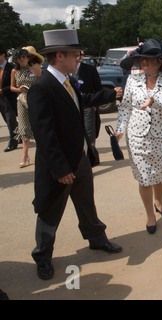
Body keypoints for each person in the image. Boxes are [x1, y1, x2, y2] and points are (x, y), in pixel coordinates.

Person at [27, 29, 123, 281]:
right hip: (58, 166)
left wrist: (111, 94)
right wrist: (60, 169)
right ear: (59, 55)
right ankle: (43, 257)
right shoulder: (42, 87)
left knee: (86, 203)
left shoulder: (68, 81)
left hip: (79, 159)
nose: (79, 59)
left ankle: (96, 239)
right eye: (75, 55)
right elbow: (44, 135)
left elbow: (84, 99)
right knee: (50, 211)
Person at [115, 39, 162, 234]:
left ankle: (159, 202)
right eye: (142, 58)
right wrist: (120, 128)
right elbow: (125, 106)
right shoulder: (132, 80)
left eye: (149, 59)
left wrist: (154, 100)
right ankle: (149, 215)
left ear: (159, 61)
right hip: (136, 136)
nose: (144, 62)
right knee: (144, 178)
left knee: (159, 173)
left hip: (160, 136)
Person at [75, 51, 121, 167]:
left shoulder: (89, 69)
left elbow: (98, 89)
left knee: (90, 136)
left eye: (79, 55)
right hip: (73, 109)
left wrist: (96, 105)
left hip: (88, 108)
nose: (77, 58)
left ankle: (91, 161)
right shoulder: (67, 72)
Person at [10, 47, 44, 168]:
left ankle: (43, 153)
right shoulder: (14, 71)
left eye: (24, 57)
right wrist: (18, 89)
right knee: (23, 126)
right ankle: (25, 156)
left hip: (34, 98)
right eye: (19, 57)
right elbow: (11, 87)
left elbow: (42, 82)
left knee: (38, 125)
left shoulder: (35, 67)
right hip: (21, 99)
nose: (21, 59)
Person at [0, 47, 18, 152]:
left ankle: (13, 142)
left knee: (11, 118)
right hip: (1, 98)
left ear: (3, 55)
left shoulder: (11, 67)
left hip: (9, 97)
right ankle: (17, 136)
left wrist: (2, 90)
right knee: (6, 119)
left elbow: (14, 83)